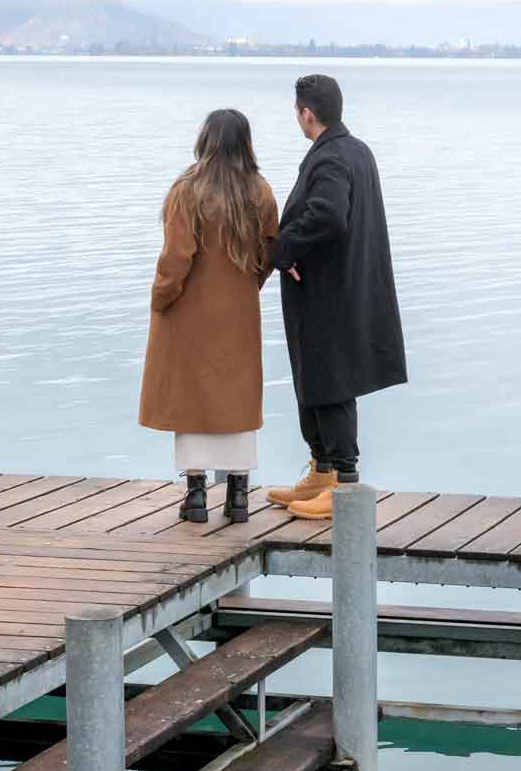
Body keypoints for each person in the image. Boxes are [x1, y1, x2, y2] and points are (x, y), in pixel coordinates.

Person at [266, 74, 407, 519]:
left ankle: (344, 483)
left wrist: (283, 248)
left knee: (332, 382)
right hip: (342, 285)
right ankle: (321, 471)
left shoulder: (329, 158)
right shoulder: (356, 150)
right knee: (316, 377)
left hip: (330, 290)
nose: (297, 119)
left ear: (307, 113)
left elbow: (329, 215)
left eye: (297, 112)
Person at [138, 109, 279, 524]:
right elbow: (270, 250)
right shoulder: (260, 190)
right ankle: (239, 499)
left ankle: (196, 496)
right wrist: (249, 286)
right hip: (238, 312)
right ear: (245, 142)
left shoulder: (188, 190)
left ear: (206, 141)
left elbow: (176, 258)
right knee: (237, 398)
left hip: (189, 311)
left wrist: (161, 298)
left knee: (191, 399)